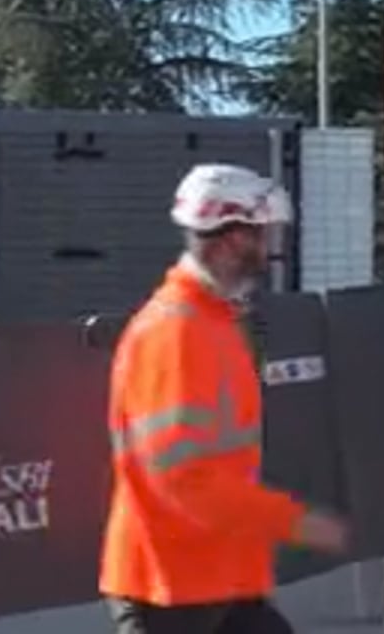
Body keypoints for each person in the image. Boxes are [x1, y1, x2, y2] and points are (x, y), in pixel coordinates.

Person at [99, 163, 351, 634]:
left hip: (213, 576)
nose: (268, 249)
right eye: (261, 234)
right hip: (169, 585)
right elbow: (181, 477)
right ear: (232, 238)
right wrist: (294, 520)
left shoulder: (211, 322)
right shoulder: (176, 332)